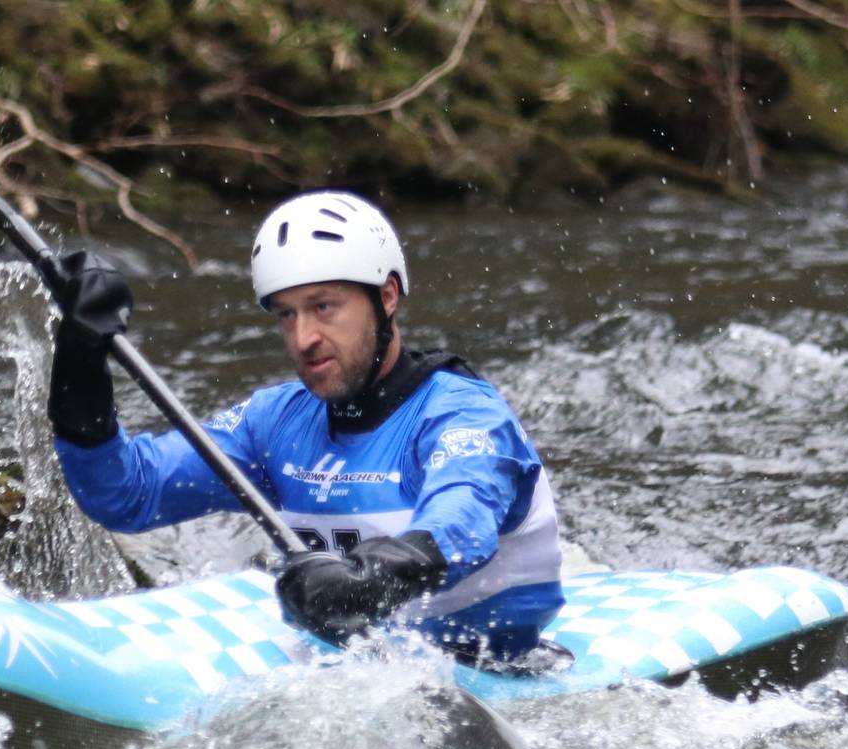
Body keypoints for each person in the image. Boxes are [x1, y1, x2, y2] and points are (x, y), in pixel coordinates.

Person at [46, 191, 564, 660]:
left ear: (385, 297)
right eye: (286, 315)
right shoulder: (275, 423)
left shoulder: (463, 415)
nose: (304, 338)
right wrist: (81, 363)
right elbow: (125, 494)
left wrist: (369, 579)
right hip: (352, 670)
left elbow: (462, 521)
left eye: (323, 306)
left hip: (491, 663)